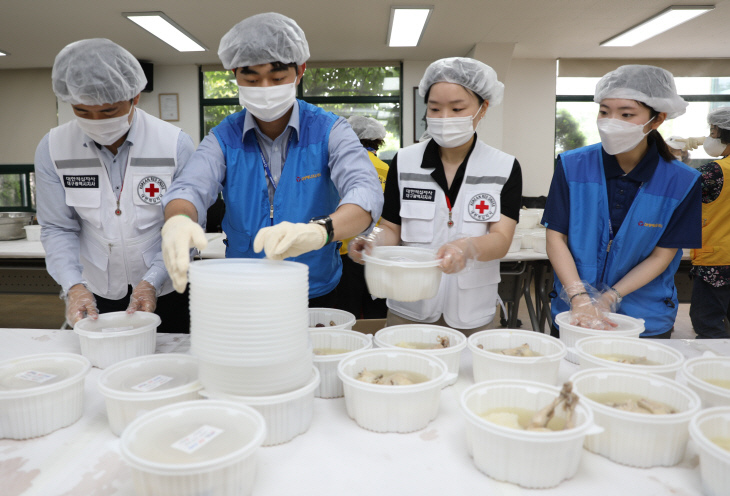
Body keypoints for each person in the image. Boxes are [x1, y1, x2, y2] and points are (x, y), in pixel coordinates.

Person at [160, 13, 383, 307]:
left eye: (277, 78)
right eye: (251, 78)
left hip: (314, 290)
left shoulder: (329, 131)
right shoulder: (224, 138)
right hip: (245, 289)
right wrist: (179, 221)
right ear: (235, 75)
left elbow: (364, 190)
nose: (265, 88)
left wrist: (320, 231)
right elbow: (190, 187)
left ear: (300, 71)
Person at [349, 57, 523, 334]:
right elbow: (392, 227)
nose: (444, 118)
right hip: (410, 304)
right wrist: (372, 241)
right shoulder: (404, 162)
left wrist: (467, 248)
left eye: (457, 109)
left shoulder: (503, 167)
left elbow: (501, 239)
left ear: (482, 107)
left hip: (472, 311)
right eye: (434, 108)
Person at [35, 39, 196, 332]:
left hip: (167, 289)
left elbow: (184, 227)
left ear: (135, 96)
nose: (96, 121)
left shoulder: (173, 144)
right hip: (95, 289)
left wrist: (153, 280)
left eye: (108, 111)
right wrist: (74, 286)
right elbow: (58, 227)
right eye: (82, 111)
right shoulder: (53, 148)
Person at [542, 65, 702, 338]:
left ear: (657, 119)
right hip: (574, 315)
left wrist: (608, 298)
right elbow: (556, 237)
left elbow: (662, 255)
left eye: (626, 114)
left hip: (644, 318)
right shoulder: (572, 165)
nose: (610, 121)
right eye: (604, 111)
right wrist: (579, 297)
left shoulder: (683, 181)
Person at [336, 116, 389, 318]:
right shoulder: (387, 170)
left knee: (346, 313)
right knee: (376, 313)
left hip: (344, 253)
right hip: (377, 252)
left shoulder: (339, 168)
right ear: (378, 141)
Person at [689, 107, 730, 338]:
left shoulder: (716, 171)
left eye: (713, 131)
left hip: (718, 261)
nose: (709, 137)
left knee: (708, 325)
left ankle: (714, 369)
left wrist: (668, 154)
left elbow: (678, 188)